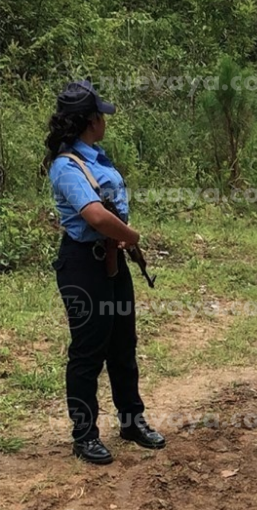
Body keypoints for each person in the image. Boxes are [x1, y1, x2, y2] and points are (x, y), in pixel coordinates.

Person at [44, 80, 165, 465]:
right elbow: (94, 214)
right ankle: (84, 435)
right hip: (84, 265)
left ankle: (132, 421)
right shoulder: (67, 165)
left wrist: (123, 241)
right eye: (102, 116)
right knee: (88, 352)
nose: (105, 122)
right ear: (91, 120)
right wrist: (131, 235)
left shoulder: (96, 156)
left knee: (123, 345)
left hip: (111, 261)